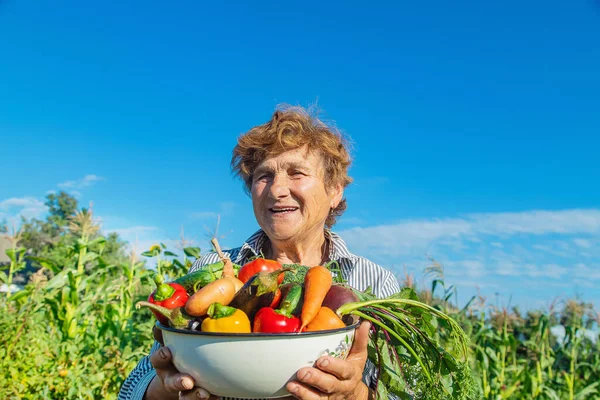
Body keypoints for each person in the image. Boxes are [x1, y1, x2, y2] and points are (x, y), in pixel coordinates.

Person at [118, 105, 401, 400]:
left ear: (335, 191)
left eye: (297, 173)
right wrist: (167, 387)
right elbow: (132, 389)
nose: (276, 189)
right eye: (264, 176)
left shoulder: (376, 283)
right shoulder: (213, 269)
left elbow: (405, 392)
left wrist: (355, 394)